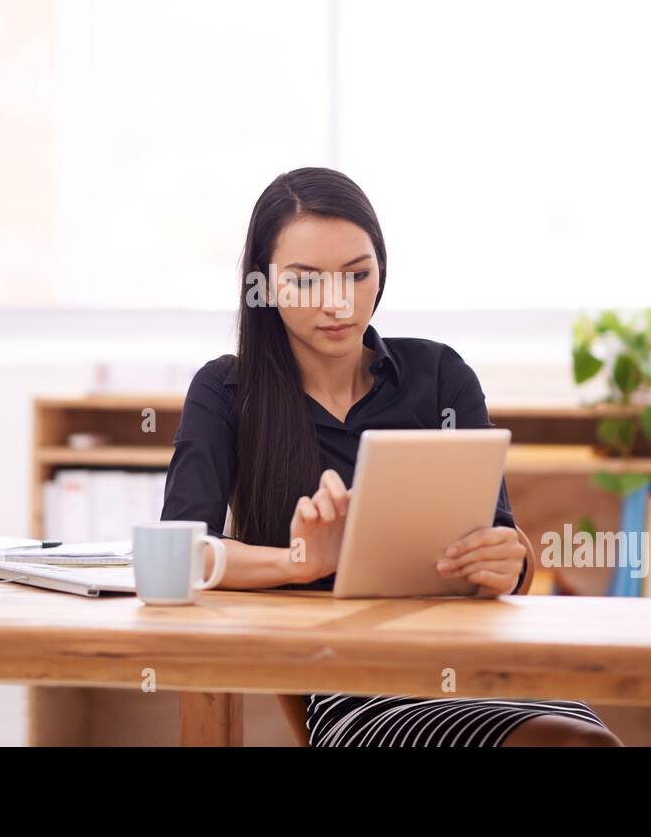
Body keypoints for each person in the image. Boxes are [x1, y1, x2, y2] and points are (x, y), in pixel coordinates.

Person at [161, 167, 622, 747]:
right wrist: (297, 563)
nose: (339, 304)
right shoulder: (226, 393)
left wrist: (514, 561)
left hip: (479, 660)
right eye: (305, 282)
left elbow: (502, 550)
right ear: (264, 283)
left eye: (358, 275)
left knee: (586, 743)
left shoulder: (439, 377)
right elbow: (177, 554)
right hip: (356, 687)